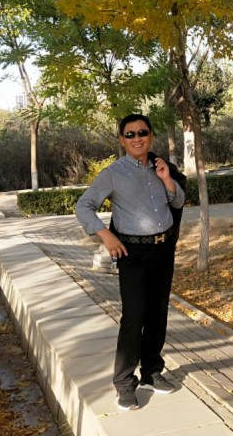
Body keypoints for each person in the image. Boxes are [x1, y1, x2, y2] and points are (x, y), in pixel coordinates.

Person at [75, 113, 185, 411]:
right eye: (130, 134)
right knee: (134, 317)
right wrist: (106, 236)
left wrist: (167, 179)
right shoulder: (113, 174)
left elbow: (177, 201)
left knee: (158, 314)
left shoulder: (160, 166)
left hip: (163, 250)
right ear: (122, 140)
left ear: (151, 136)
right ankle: (124, 384)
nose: (138, 138)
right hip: (132, 255)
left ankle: (151, 373)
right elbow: (83, 206)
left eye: (143, 133)